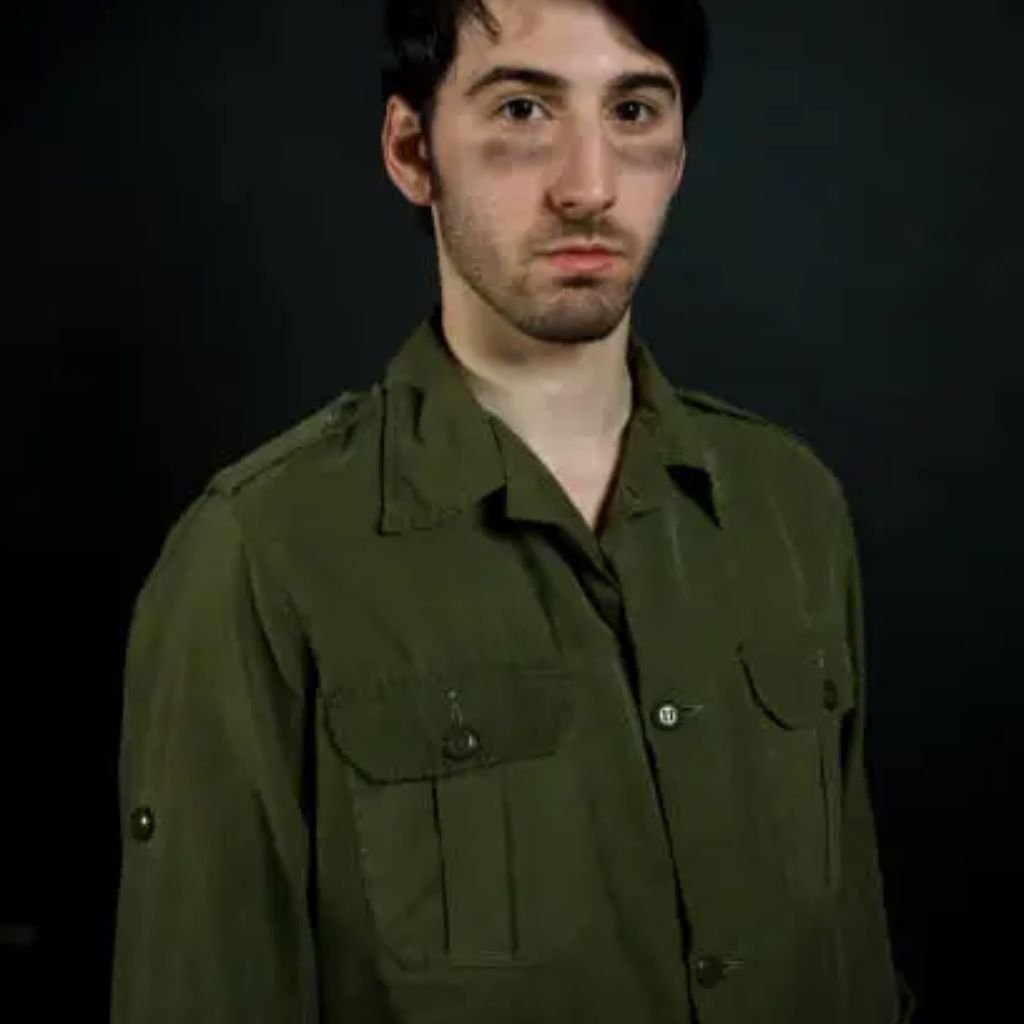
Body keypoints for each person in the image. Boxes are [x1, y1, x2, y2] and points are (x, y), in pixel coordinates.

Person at [109, 1, 918, 1021]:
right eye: (524, 108)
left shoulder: (792, 507)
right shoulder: (259, 555)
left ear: (679, 153)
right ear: (412, 151)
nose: (588, 185)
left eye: (633, 111)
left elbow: (853, 961)